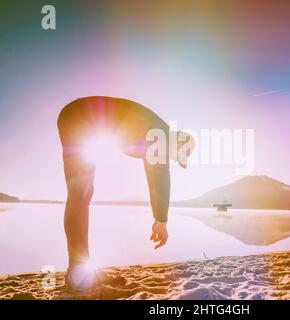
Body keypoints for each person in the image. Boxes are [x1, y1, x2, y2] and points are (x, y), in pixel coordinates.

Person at [57, 96, 194, 291]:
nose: (172, 159)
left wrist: (159, 217)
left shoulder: (154, 135)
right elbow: (160, 175)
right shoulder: (161, 134)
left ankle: (79, 268)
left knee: (84, 192)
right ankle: (78, 271)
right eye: (177, 155)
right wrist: (161, 220)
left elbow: (155, 174)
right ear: (178, 142)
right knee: (81, 192)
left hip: (82, 121)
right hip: (79, 118)